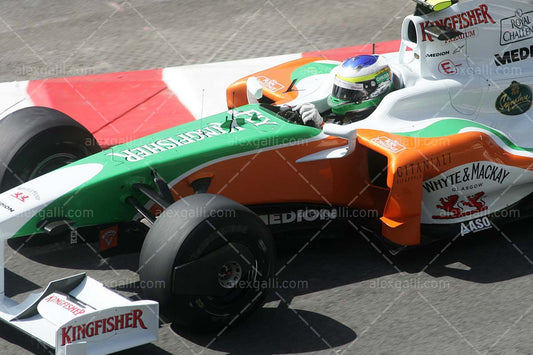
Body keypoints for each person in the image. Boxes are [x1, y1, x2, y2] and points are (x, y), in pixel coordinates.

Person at [293, 54, 394, 127]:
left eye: (349, 93)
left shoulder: (381, 123)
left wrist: (320, 126)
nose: (339, 97)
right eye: (339, 89)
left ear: (376, 91)